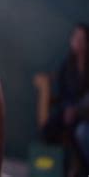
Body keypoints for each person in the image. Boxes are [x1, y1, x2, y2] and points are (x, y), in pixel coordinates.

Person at [36, 24, 89, 175]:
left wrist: (76, 110)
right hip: (66, 109)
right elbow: (62, 90)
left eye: (81, 38)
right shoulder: (67, 64)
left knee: (79, 131)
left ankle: (79, 169)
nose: (76, 41)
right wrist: (68, 108)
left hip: (83, 114)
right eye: (75, 37)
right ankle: (49, 168)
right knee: (50, 126)